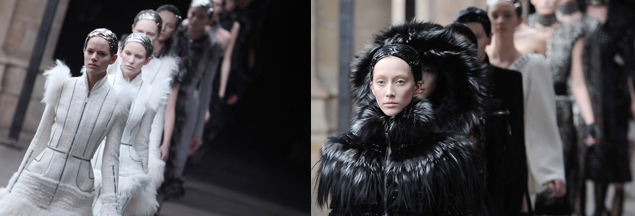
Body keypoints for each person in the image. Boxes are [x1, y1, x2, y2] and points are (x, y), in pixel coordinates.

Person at [316, 21, 486, 215]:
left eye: (400, 81)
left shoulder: (450, 156)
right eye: (381, 82)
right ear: (371, 86)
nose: (389, 92)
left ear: (416, 86)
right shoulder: (343, 155)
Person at [0, 28, 130, 216]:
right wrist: (13, 185)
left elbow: (110, 158)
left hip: (77, 191)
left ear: (113, 59)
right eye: (90, 51)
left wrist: (110, 206)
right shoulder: (62, 86)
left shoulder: (118, 102)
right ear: (84, 51)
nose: (94, 57)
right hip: (38, 177)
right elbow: (40, 138)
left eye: (102, 54)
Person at [485, 0, 567, 213]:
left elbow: (542, 118)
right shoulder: (479, 69)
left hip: (519, 159)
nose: (501, 21)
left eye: (507, 15)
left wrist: (550, 170)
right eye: (495, 16)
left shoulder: (533, 65)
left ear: (519, 20)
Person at [523, 0, 599, 214]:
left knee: (560, 180)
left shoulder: (572, 32)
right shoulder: (521, 28)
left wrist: (590, 122)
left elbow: (578, 82)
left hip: (561, 115)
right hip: (529, 111)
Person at [455, 6, 528, 216]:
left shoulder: (509, 81)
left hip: (499, 179)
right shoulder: (443, 84)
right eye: (462, 38)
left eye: (476, 36)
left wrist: (521, 192)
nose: (469, 44)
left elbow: (517, 142)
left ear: (488, 38)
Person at [157, 0, 223, 204]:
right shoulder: (175, 36)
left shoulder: (212, 47)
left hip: (187, 103)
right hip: (164, 95)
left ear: (209, 20)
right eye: (193, 14)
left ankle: (157, 204)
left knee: (175, 158)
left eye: (201, 17)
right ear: (188, 13)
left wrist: (198, 131)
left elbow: (206, 87)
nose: (195, 20)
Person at [583, 0, 635, 215]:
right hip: (590, 93)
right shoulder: (578, 11)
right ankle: (596, 208)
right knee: (597, 151)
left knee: (618, 151)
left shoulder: (624, 12)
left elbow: (630, 61)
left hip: (617, 93)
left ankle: (617, 209)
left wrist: (633, 96)